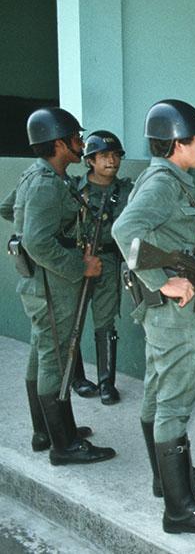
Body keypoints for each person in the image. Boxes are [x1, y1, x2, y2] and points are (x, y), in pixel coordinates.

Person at [112, 100, 195, 534]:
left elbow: (167, 240)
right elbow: (124, 230)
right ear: (175, 143)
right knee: (176, 402)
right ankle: (180, 511)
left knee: (158, 390)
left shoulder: (165, 179)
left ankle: (166, 481)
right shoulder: (163, 183)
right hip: (173, 311)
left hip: (163, 307)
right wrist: (161, 281)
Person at [0, 108, 115, 465]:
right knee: (56, 360)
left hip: (43, 283)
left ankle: (46, 431)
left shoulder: (44, 175)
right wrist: (79, 265)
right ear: (59, 143)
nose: (82, 143)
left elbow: (8, 209)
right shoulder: (46, 183)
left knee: (43, 354)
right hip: (55, 286)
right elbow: (36, 240)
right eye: (77, 139)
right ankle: (63, 446)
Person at [74, 130, 133, 404]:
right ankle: (76, 378)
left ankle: (106, 382)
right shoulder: (73, 189)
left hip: (108, 261)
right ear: (90, 160)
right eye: (104, 155)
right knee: (70, 319)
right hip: (76, 261)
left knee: (106, 321)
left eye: (116, 155)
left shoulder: (126, 192)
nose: (112, 160)